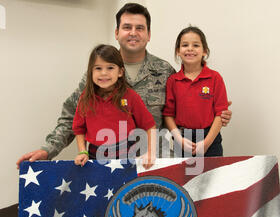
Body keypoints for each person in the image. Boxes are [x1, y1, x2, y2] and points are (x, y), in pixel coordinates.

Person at [16, 3, 232, 168]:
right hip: (108, 161)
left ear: (148, 35)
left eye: (140, 28)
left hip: (153, 161)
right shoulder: (99, 73)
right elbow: (71, 117)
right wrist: (47, 150)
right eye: (127, 27)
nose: (133, 32)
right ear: (117, 33)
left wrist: (217, 112)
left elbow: (179, 111)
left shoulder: (165, 71)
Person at [73, 44, 155, 169]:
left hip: (128, 154)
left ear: (120, 72)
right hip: (95, 155)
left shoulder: (131, 96)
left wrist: (150, 152)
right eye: (98, 68)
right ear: (90, 72)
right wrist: (82, 151)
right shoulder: (85, 97)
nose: (104, 73)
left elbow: (150, 126)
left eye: (110, 68)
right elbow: (79, 129)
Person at [163, 26, 228, 157]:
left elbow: (220, 114)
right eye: (185, 45)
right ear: (178, 51)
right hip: (182, 140)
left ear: (204, 51)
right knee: (182, 177)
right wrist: (179, 139)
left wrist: (206, 143)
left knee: (210, 177)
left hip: (210, 140)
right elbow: (168, 115)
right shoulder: (173, 81)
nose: (190, 48)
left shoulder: (215, 78)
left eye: (196, 45)